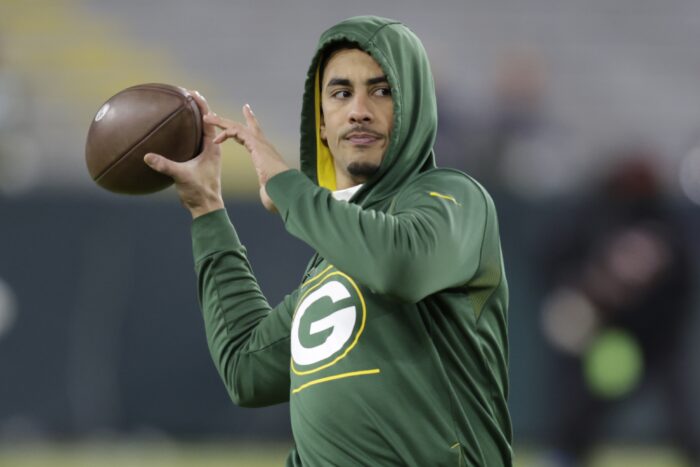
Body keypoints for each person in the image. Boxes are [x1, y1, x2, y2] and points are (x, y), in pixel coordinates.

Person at [144, 16, 512, 466]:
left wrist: (286, 185)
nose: (359, 109)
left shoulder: (456, 199)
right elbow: (248, 369)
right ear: (320, 123)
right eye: (341, 93)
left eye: (382, 90)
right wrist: (207, 208)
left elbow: (399, 264)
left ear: (415, 105)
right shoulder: (330, 266)